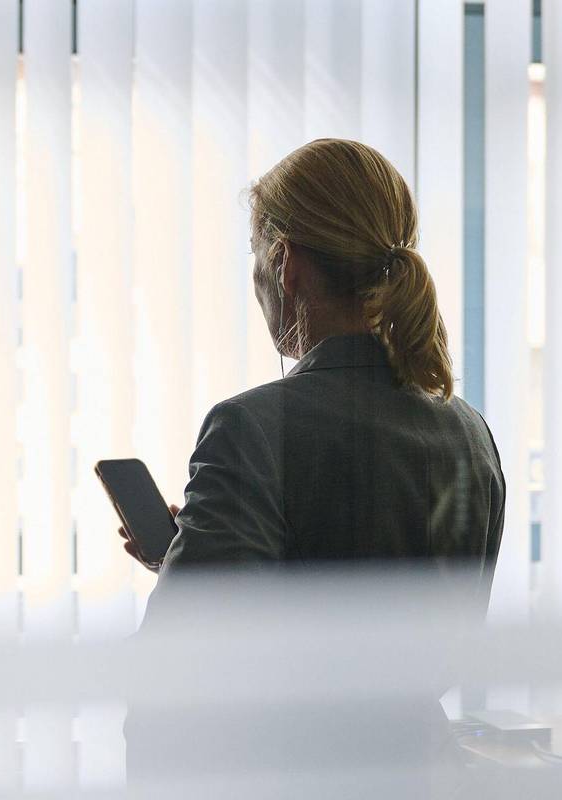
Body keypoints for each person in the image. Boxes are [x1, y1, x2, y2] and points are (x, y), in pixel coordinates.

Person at [122, 139, 506, 795]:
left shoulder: (250, 429)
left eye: (256, 256)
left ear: (286, 262)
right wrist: (195, 556)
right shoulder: (470, 434)